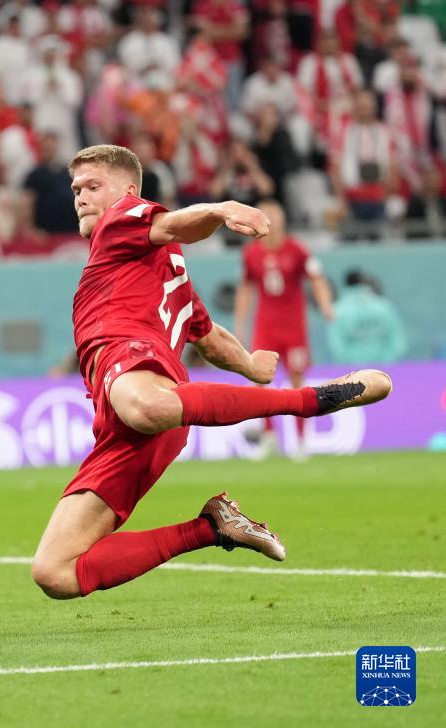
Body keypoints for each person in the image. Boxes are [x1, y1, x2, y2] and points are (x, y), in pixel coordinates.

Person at [29, 144, 391, 601]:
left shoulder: (121, 219)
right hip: (126, 426)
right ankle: (212, 526)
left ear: (128, 191)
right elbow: (208, 335)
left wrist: (220, 209)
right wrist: (251, 365)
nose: (80, 197)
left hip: (138, 378)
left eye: (92, 186)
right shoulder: (162, 270)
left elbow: (173, 223)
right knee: (54, 573)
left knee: (145, 405)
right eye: (76, 189)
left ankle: (309, 401)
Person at [235, 200, 334, 459]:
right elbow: (245, 287)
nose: (270, 220)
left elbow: (317, 278)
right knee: (259, 379)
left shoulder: (297, 249)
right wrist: (240, 322)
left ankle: (301, 440)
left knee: (297, 381)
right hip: (265, 326)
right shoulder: (250, 253)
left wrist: (325, 304)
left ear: (282, 220)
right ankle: (269, 436)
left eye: (275, 215)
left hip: (294, 328)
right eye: (265, 214)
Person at [328, 270, 408, 364]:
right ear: (365, 282)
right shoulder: (384, 306)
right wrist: (387, 361)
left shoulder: (338, 310)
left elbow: (337, 345)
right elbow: (397, 339)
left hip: (352, 369)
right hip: (385, 367)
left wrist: (352, 365)